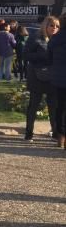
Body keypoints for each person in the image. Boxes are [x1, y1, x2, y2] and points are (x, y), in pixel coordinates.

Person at [23, 16, 59, 142]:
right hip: (36, 75)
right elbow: (26, 54)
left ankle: (55, 132)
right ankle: (29, 133)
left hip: (52, 76)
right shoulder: (35, 38)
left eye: (57, 26)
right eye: (52, 25)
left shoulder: (57, 40)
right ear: (46, 26)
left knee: (53, 106)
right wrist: (42, 55)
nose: (54, 28)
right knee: (33, 105)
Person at [46, 15, 66, 149]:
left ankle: (61, 136)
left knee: (61, 108)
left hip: (59, 78)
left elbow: (49, 59)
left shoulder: (55, 39)